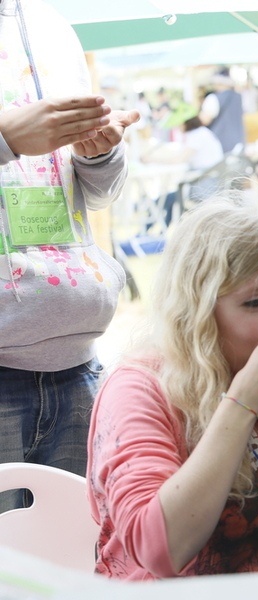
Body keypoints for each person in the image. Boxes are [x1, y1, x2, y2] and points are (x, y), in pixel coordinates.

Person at [87, 201, 258, 581]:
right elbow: (160, 551)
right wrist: (242, 404)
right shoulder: (139, 388)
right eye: (255, 302)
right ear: (196, 309)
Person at [0, 0, 140, 513]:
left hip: (79, 355)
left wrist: (99, 152)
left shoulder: (54, 28)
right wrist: (7, 138)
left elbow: (95, 193)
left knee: (75, 562)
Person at [143, 103, 225, 228]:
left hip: (204, 186)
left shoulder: (196, 135)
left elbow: (178, 159)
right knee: (168, 201)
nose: (177, 128)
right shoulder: (202, 132)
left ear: (185, 123)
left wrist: (151, 159)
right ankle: (160, 233)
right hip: (208, 182)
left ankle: (148, 233)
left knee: (162, 201)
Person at [199, 71, 246, 154]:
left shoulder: (214, 98)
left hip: (219, 145)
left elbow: (203, 120)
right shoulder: (238, 97)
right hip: (238, 143)